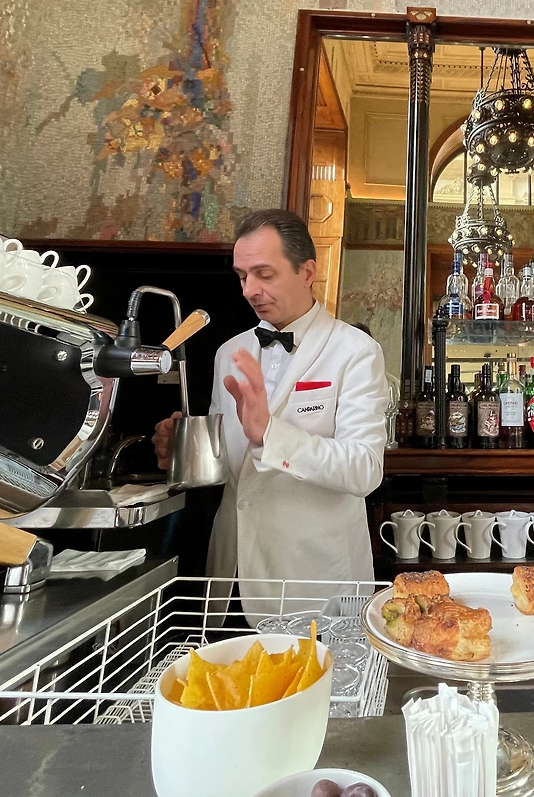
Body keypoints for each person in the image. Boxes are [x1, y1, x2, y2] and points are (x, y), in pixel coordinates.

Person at [152, 209, 391, 586]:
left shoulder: (355, 350)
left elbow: (364, 470)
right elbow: (232, 468)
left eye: (264, 275)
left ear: (307, 273)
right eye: (243, 276)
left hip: (309, 575)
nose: (249, 290)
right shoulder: (229, 352)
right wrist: (188, 450)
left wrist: (270, 434)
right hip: (229, 569)